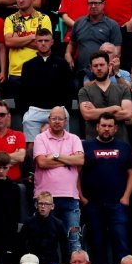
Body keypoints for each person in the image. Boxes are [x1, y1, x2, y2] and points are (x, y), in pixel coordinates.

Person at [80, 113, 132, 264]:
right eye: (103, 125)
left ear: (116, 128)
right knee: (97, 242)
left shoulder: (124, 147)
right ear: (97, 127)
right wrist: (82, 197)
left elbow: (131, 173)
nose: (106, 129)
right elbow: (77, 173)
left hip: (118, 203)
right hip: (93, 204)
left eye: (110, 126)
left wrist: (126, 196)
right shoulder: (86, 146)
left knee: (121, 241)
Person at [33, 107, 84, 255]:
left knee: (74, 238)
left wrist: (54, 156)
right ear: (49, 120)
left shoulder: (74, 138)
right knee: (44, 237)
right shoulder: (40, 138)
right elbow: (42, 162)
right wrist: (68, 160)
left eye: (60, 119)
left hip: (70, 197)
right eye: (54, 118)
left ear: (66, 121)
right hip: (45, 198)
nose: (56, 122)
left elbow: (80, 160)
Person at [19, 28, 74, 141]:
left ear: (52, 42)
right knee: (31, 146)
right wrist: (26, 111)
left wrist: (64, 110)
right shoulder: (28, 65)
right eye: (40, 40)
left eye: (46, 40)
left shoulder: (62, 64)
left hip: (58, 110)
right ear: (35, 42)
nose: (43, 43)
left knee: (62, 145)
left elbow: (69, 90)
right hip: (34, 111)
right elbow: (23, 92)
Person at [78, 51, 132, 139]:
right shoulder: (84, 91)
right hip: (94, 143)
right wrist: (114, 108)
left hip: (119, 142)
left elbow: (127, 114)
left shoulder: (123, 89)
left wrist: (96, 111)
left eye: (102, 65)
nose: (99, 68)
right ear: (91, 69)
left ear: (109, 66)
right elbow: (87, 115)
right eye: (95, 66)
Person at [18, 195, 69, 264]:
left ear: (52, 206)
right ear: (36, 205)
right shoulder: (29, 223)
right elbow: (20, 244)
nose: (43, 206)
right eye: (40, 203)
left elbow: (65, 246)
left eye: (46, 204)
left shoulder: (58, 224)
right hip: (32, 263)